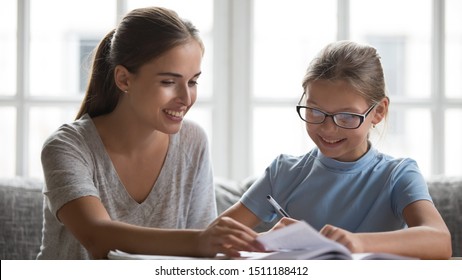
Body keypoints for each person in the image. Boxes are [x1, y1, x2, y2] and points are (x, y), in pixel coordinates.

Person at [37, 7, 259, 259]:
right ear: (124, 79)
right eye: (168, 82)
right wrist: (200, 241)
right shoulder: (67, 146)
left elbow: (201, 258)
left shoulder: (192, 141)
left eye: (193, 81)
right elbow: (96, 237)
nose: (186, 98)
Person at [217, 40, 452, 259]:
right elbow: (214, 238)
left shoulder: (398, 175)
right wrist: (264, 241)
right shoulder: (284, 172)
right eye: (315, 112)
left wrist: (358, 243)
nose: (328, 129)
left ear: (378, 111)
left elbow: (440, 240)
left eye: (347, 116)